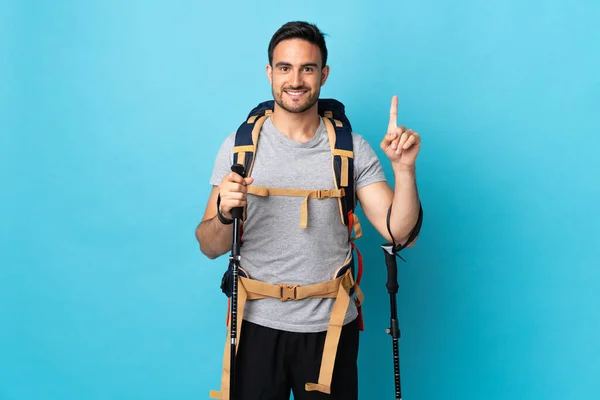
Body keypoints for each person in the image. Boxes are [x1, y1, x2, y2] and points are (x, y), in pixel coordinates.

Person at [195, 21, 422, 400]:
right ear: (270, 73)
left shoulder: (351, 150)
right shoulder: (239, 149)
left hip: (329, 327)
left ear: (324, 74)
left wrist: (404, 169)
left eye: (307, 68)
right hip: (254, 325)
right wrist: (223, 213)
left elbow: (400, 234)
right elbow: (209, 245)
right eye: (284, 67)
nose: (295, 79)